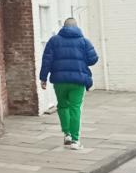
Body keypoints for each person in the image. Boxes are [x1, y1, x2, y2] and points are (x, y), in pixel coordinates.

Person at [39, 18, 99, 149]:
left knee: (62, 106)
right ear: (76, 27)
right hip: (78, 80)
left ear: (63, 27)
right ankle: (75, 141)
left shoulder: (54, 41)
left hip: (59, 80)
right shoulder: (84, 41)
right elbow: (93, 59)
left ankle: (67, 134)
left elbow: (46, 60)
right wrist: (81, 60)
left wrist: (43, 78)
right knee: (75, 108)